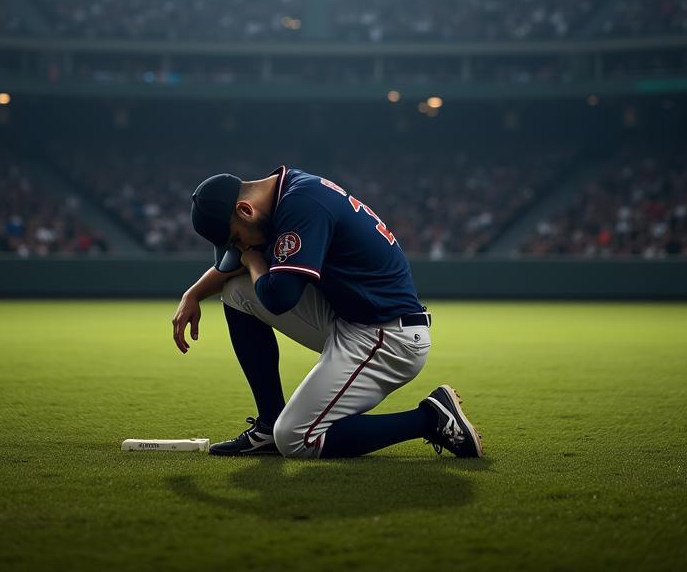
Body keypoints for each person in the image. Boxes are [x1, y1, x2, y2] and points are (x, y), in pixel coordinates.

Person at [171, 165, 483, 459]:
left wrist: (252, 260)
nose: (240, 249)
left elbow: (279, 297)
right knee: (237, 293)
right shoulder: (283, 193)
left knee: (295, 438)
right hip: (352, 318)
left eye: (236, 240)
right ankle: (267, 424)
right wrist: (193, 293)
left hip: (389, 339)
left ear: (245, 210)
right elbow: (247, 269)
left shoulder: (301, 205)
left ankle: (430, 418)